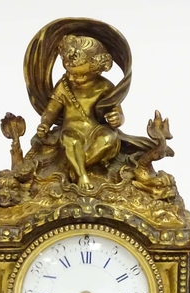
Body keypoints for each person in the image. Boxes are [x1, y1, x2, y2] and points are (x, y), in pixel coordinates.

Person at [36, 35, 124, 190]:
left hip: (95, 129)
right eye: (68, 72)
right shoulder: (64, 85)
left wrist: (117, 119)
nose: (72, 78)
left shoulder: (105, 87)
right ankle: (82, 175)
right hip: (72, 129)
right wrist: (45, 123)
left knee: (108, 138)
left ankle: (76, 165)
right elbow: (51, 110)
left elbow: (118, 112)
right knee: (70, 141)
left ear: (96, 69)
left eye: (80, 75)